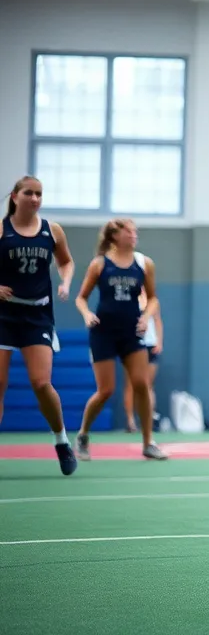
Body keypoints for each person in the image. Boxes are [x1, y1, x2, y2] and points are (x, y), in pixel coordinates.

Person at [0, 176, 77, 475]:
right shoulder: (3, 228)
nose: (35, 198)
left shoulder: (51, 230)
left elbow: (66, 262)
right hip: (4, 315)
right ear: (16, 196)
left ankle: (61, 440)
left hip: (37, 315)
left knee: (41, 383)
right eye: (29, 193)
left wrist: (65, 282)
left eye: (39, 194)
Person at [74, 219, 169, 460]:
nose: (133, 235)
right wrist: (86, 314)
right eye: (128, 231)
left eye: (135, 231)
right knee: (106, 390)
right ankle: (83, 434)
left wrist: (147, 316)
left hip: (132, 332)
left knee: (141, 384)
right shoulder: (100, 264)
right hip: (103, 332)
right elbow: (81, 298)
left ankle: (149, 442)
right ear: (114, 235)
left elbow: (154, 298)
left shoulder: (144, 263)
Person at [124, 288, 163, 433]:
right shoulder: (128, 299)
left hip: (150, 345)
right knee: (131, 385)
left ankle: (149, 419)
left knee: (147, 385)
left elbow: (158, 321)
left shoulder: (153, 301)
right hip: (133, 345)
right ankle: (130, 420)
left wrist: (159, 341)